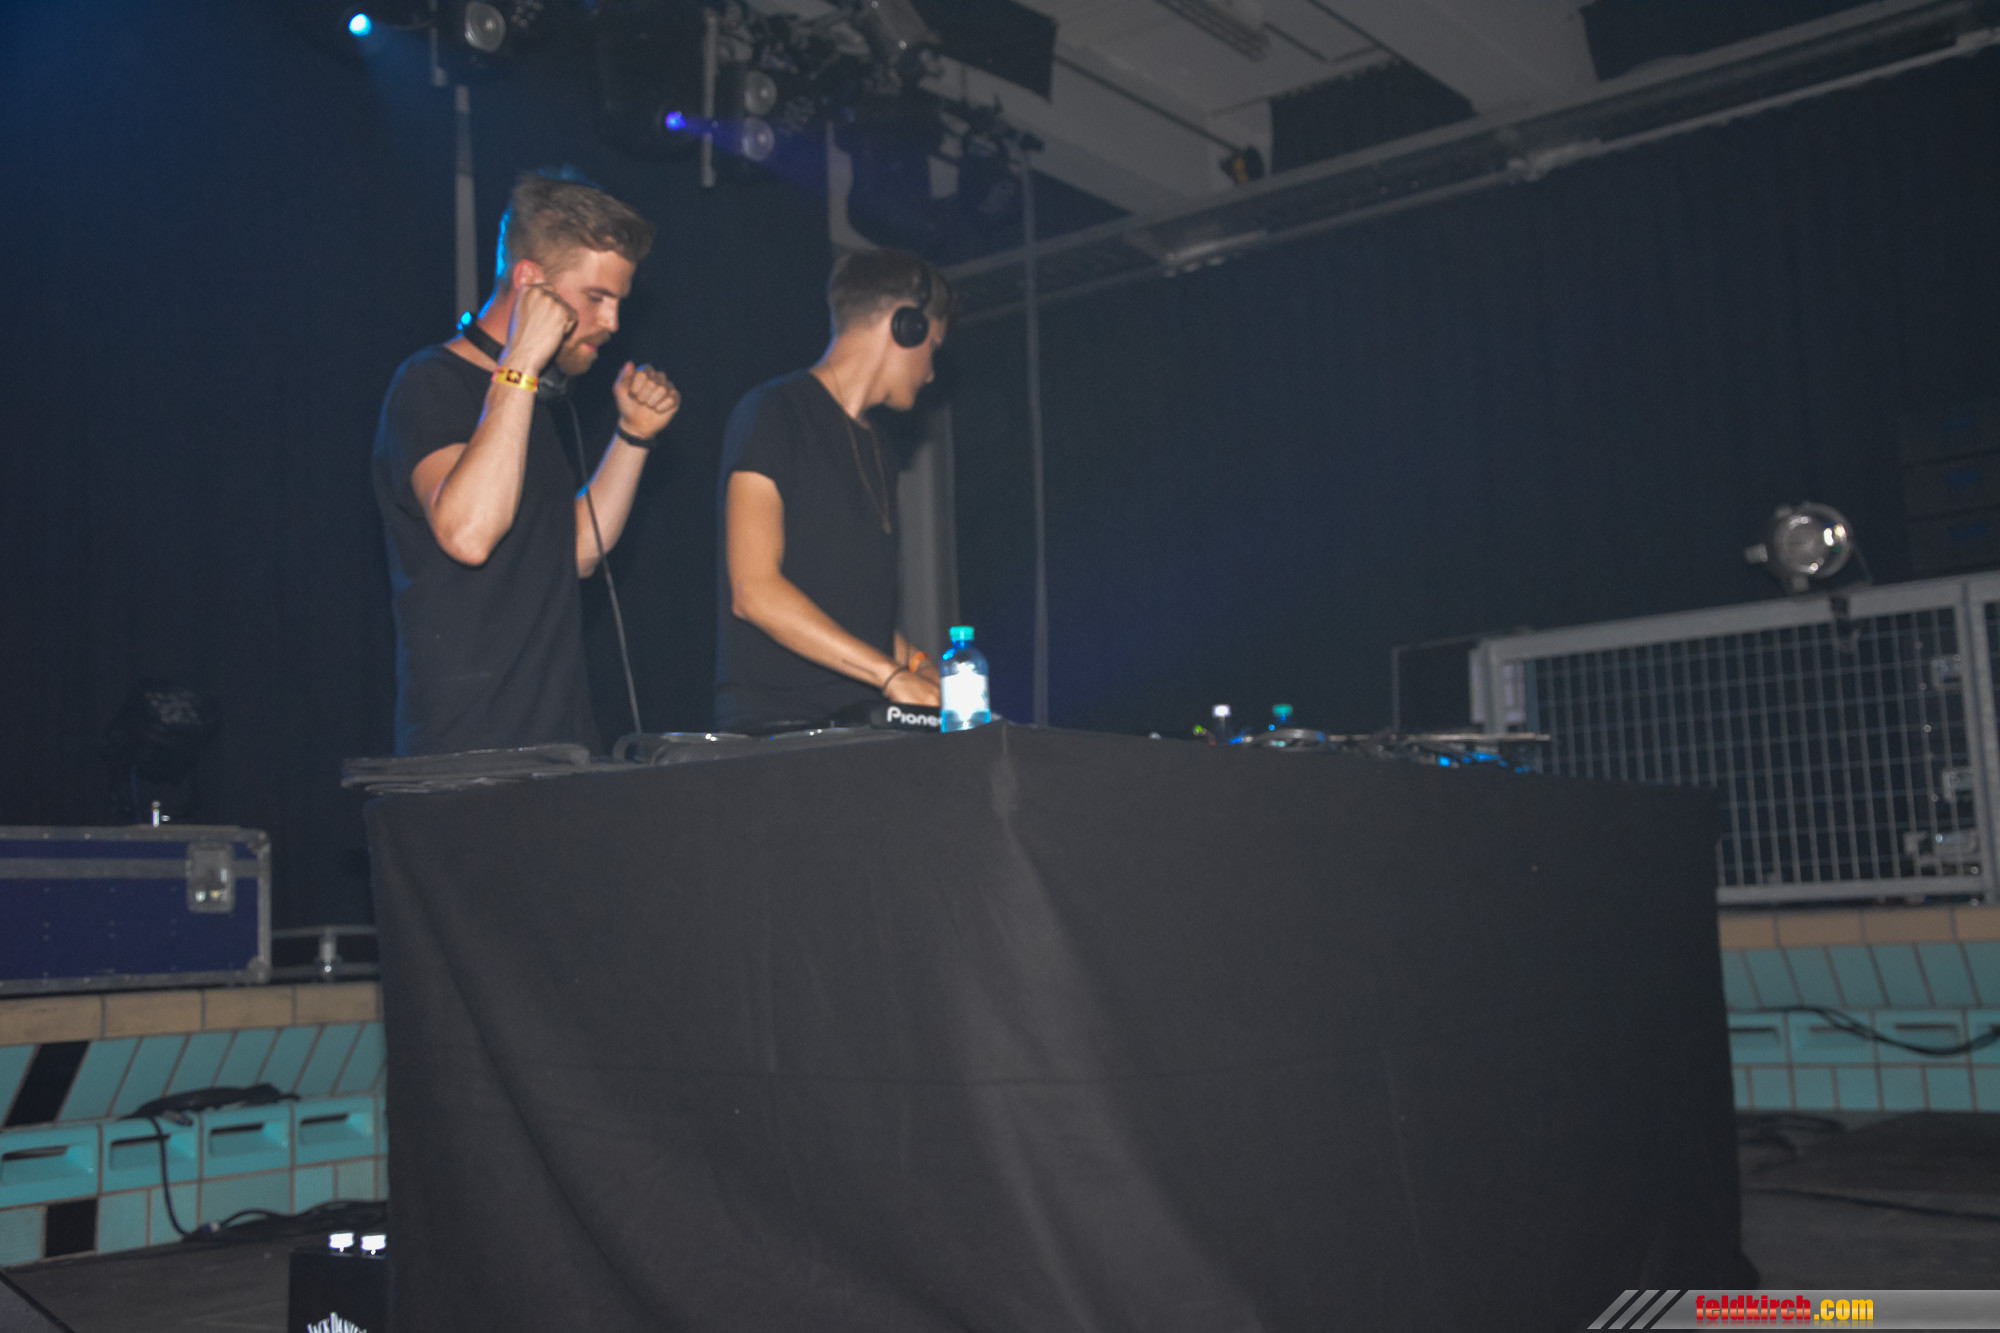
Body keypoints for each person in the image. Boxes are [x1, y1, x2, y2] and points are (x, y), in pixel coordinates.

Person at [373, 169, 680, 755]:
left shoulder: (526, 402)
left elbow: (576, 551)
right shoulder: (430, 383)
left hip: (561, 742)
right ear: (529, 282)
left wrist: (633, 437)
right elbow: (468, 532)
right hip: (468, 754)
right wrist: (519, 365)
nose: (612, 323)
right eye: (597, 298)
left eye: (619, 302)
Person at [714, 249, 949, 733]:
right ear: (905, 327)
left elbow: (854, 614)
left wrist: (921, 665)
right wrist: (891, 676)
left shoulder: (879, 448)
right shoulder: (773, 414)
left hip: (860, 723)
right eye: (933, 347)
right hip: (780, 729)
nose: (931, 372)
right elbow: (754, 591)